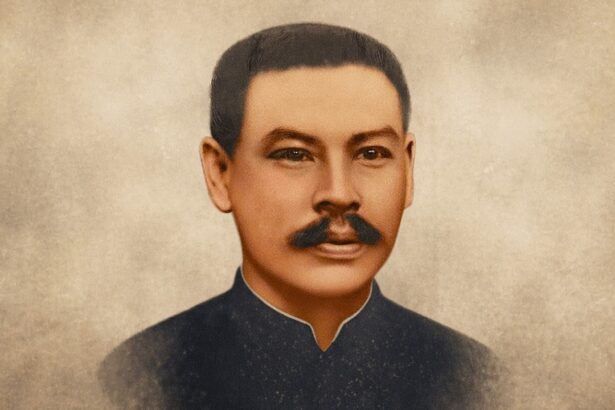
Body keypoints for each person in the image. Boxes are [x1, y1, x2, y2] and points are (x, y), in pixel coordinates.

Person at [98, 23, 501, 409]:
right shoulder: (139, 379)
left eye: (371, 153)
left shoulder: (477, 381)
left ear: (408, 170)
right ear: (220, 173)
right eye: (294, 154)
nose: (340, 194)